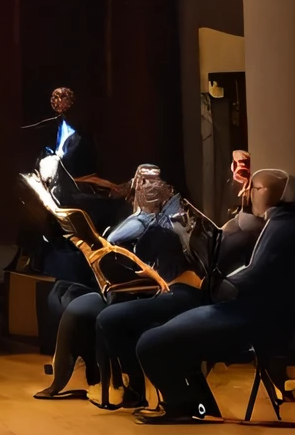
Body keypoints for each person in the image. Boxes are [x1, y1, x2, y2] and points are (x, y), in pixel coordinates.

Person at [136, 166, 295, 420]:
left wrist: (214, 284)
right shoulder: (275, 221)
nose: (247, 194)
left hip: (249, 316)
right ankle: (199, 407)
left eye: (252, 189)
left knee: (151, 342)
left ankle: (182, 407)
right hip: (249, 311)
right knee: (164, 338)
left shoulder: (282, 226)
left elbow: (253, 277)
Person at [33, 161, 195, 400]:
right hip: (127, 285)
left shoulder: (162, 220)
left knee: (78, 308)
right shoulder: (142, 214)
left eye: (150, 181)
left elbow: (126, 243)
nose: (143, 186)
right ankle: (85, 371)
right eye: (141, 180)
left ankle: (86, 377)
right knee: (60, 292)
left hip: (144, 290)